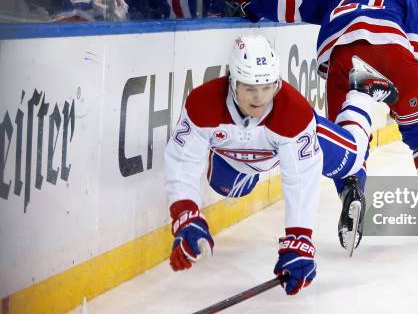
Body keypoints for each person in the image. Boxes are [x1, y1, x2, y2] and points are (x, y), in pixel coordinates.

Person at [243, 0, 418, 247]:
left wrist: (253, 4)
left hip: (345, 59)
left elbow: (289, 1)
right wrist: (403, 97)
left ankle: (352, 189)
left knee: (347, 140)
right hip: (395, 55)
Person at [165, 35, 398, 295]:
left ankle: (361, 93)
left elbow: (300, 179)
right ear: (232, 82)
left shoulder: (293, 113)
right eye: (249, 87)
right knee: (228, 187)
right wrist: (185, 214)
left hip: (287, 143)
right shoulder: (203, 104)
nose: (259, 98)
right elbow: (183, 160)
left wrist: (299, 239)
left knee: (352, 158)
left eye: (267, 87)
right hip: (239, 157)